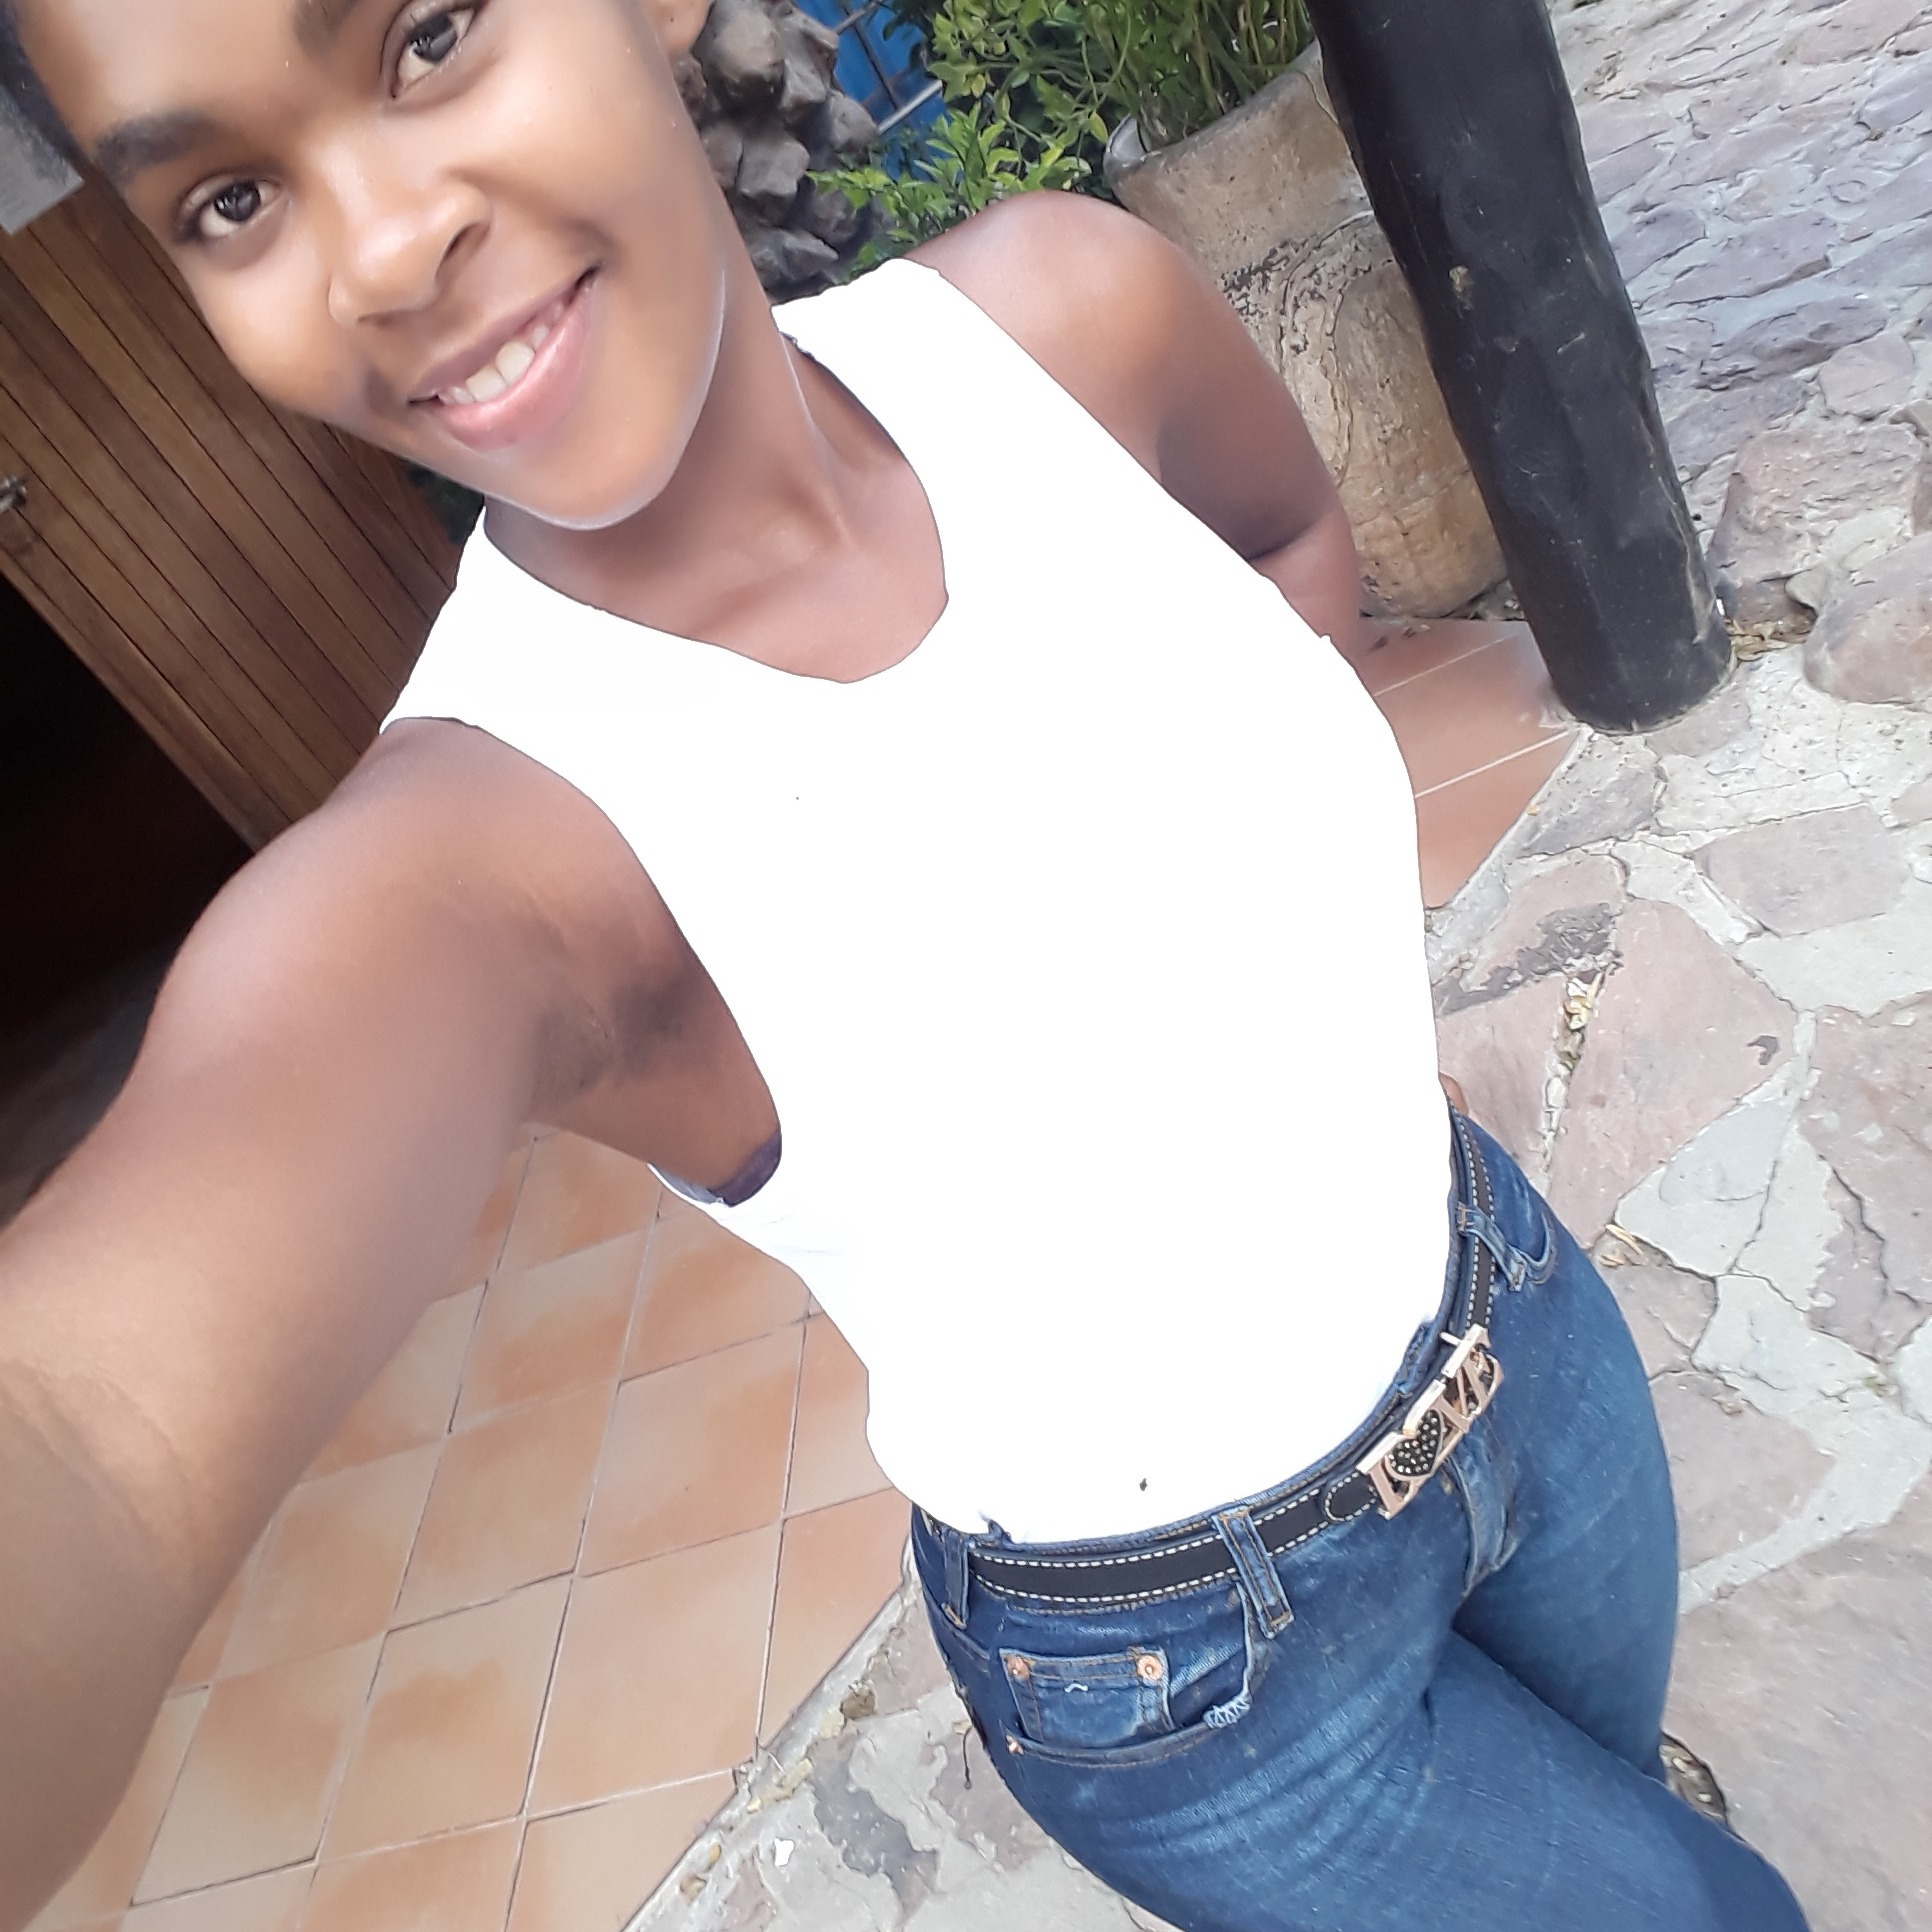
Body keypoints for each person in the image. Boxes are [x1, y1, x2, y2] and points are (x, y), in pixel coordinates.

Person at [0, 2, 1808, 1927]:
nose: (378, 248)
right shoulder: (479, 868)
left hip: (1513, 1318)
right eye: (228, 200)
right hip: (1212, 1673)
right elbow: (89, 1437)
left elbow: (1287, 545)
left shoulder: (1070, 319)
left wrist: (1291, 1024)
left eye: (429, 33)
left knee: (1630, 1800)